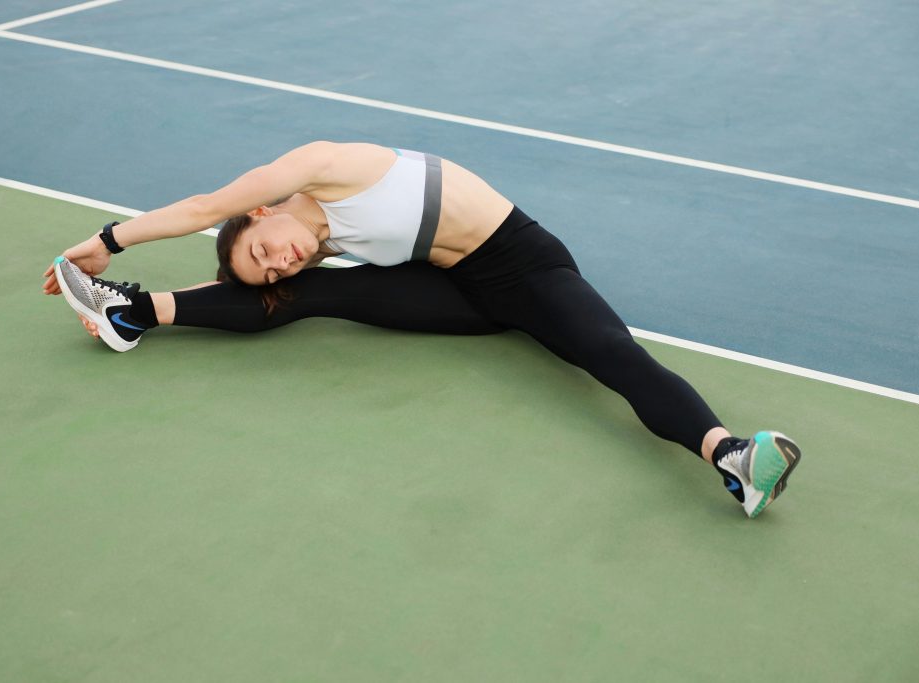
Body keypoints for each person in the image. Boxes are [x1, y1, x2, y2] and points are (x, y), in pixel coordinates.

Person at [42, 141, 801, 517]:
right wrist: (255, 282)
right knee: (309, 297)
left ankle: (731, 454)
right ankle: (130, 312)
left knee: (607, 353)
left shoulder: (322, 165)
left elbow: (206, 205)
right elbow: (266, 273)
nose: (280, 259)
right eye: (269, 267)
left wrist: (108, 239)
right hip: (457, 292)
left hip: (522, 267)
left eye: (262, 250)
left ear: (263, 212)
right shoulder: (317, 249)